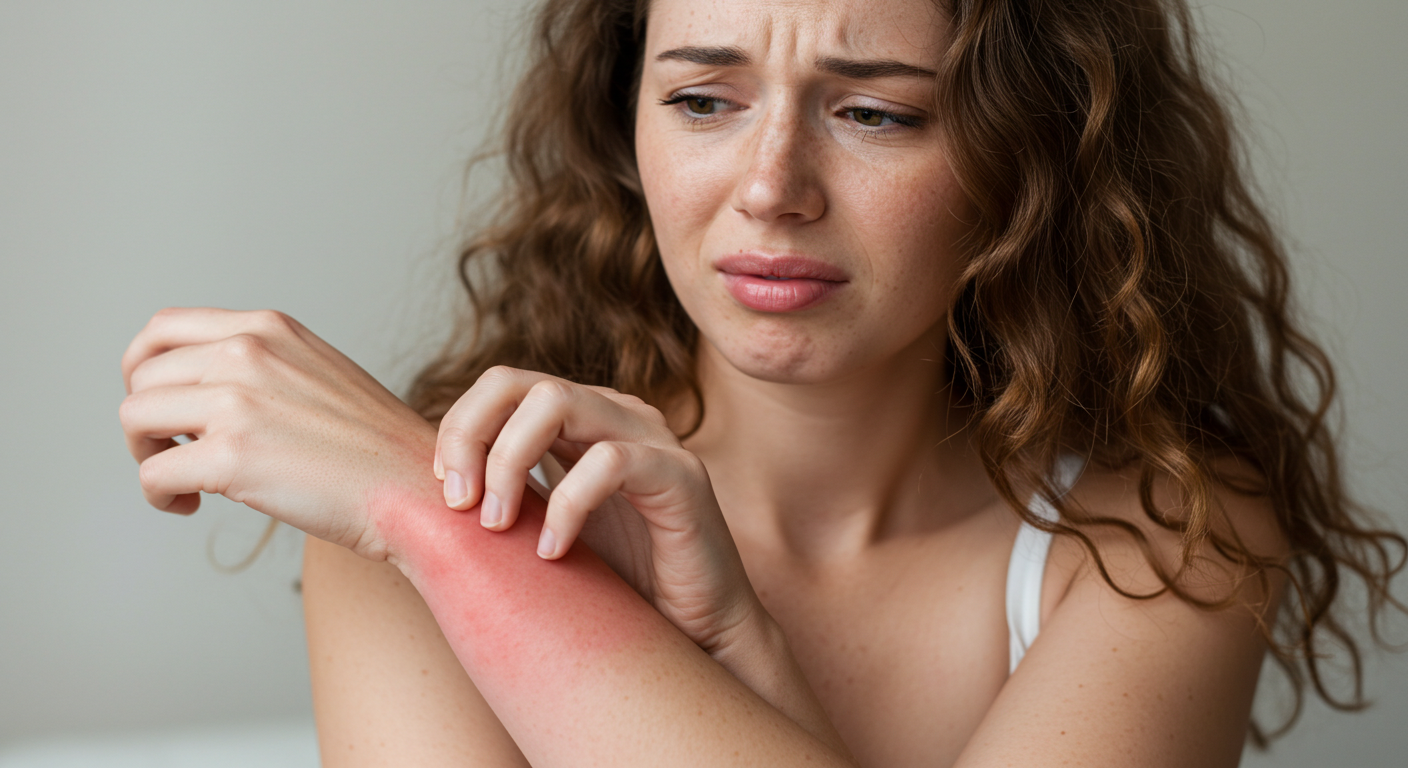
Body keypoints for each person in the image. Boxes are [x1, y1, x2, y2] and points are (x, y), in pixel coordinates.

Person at [118, 0, 1405, 765]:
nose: (770, 188)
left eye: (875, 114)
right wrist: (439, 523)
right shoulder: (422, 520)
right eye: (702, 100)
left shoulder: (1168, 533)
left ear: (1037, 153)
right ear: (623, 124)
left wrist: (744, 650)